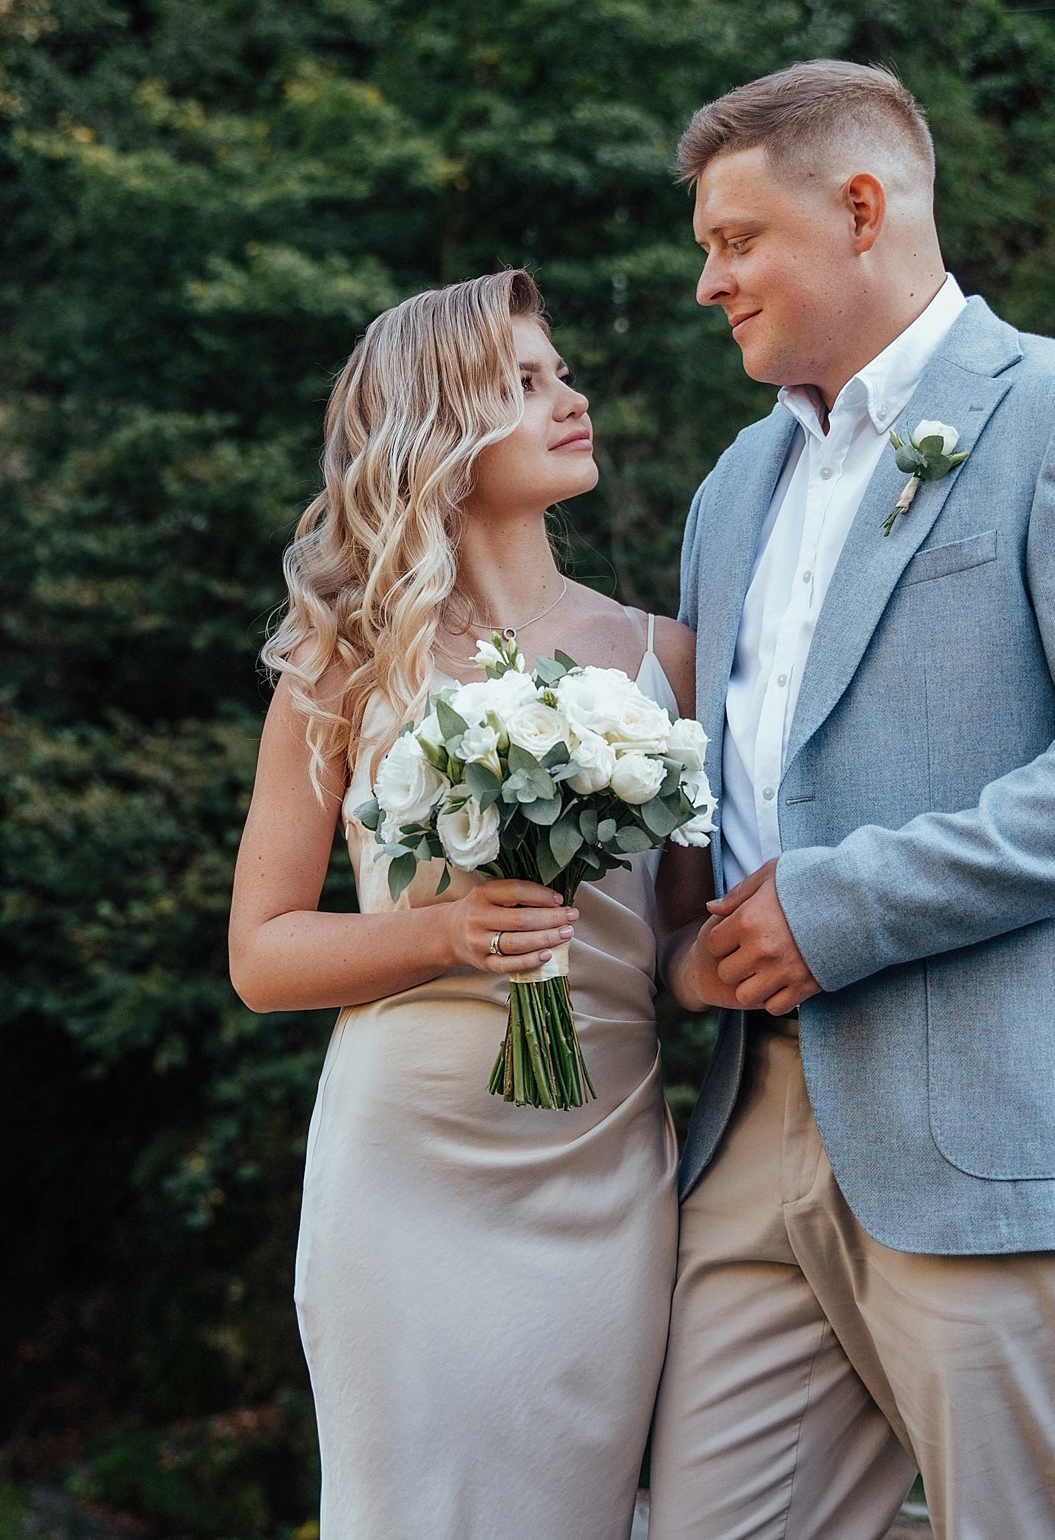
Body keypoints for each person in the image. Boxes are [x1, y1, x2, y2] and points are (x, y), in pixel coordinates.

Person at [648, 61, 1055, 1540]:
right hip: (752, 1122)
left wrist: (839, 907)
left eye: (736, 239)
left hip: (1000, 1129)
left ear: (861, 210)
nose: (709, 282)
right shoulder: (733, 485)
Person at [226, 269, 701, 1539]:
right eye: (524, 384)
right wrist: (442, 933)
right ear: (436, 428)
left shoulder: (664, 657)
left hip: (601, 1159)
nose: (570, 399)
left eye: (562, 374)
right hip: (405, 1169)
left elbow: (683, 938)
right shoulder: (343, 658)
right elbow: (263, 956)